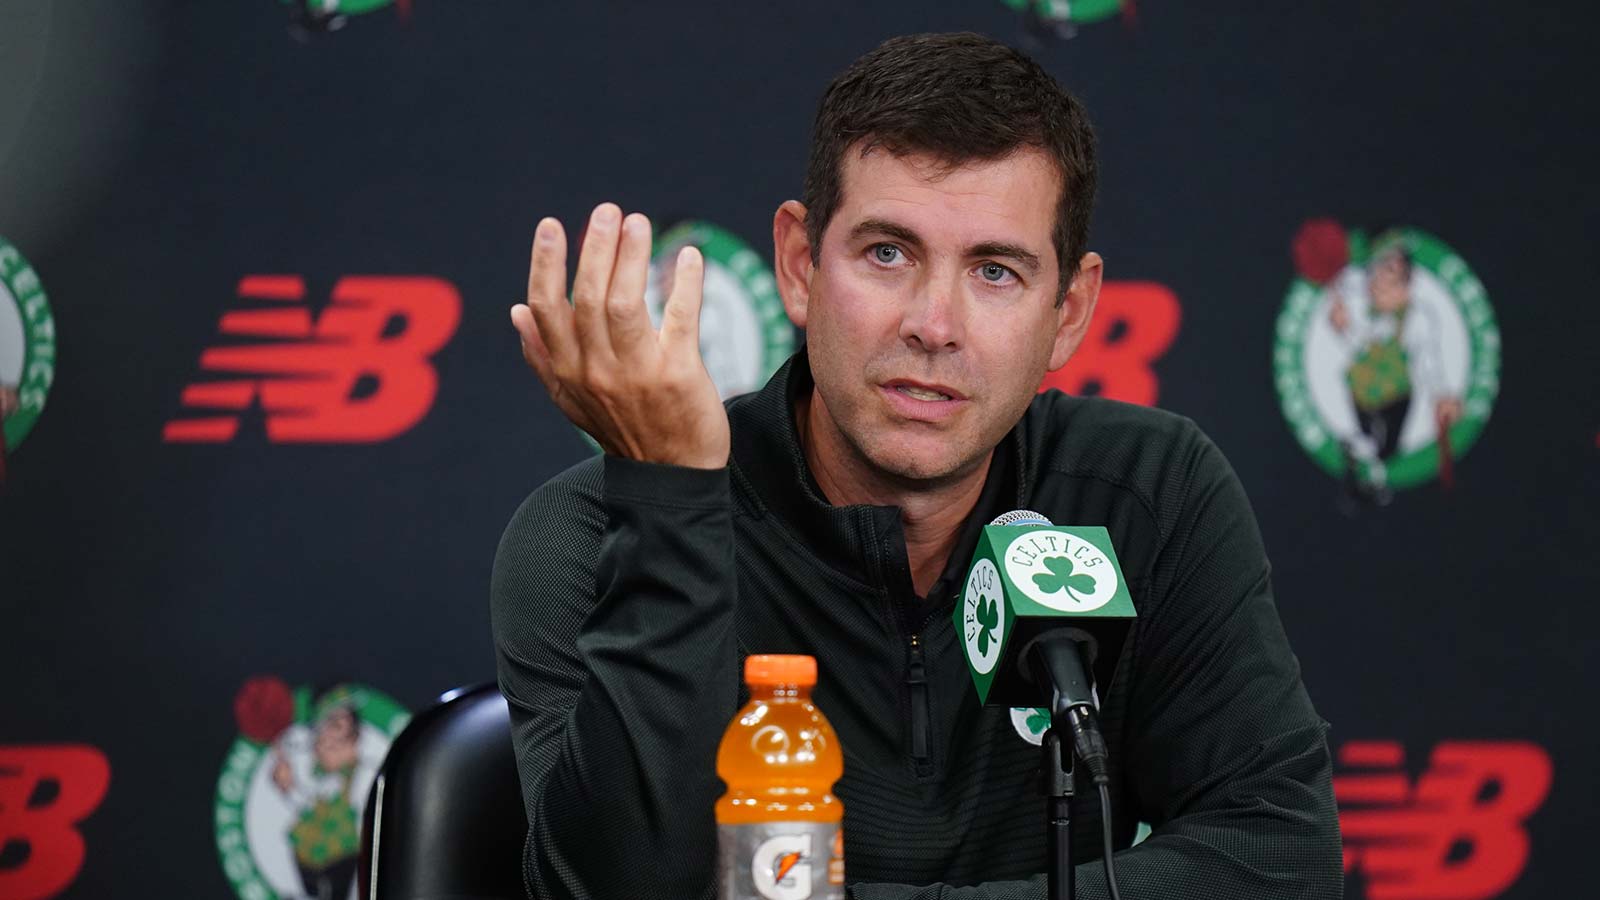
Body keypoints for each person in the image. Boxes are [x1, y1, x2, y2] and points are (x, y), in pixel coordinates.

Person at [492, 32, 1340, 900]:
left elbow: (1277, 854)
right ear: (798, 264)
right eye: (887, 253)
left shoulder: (1147, 494)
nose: (934, 324)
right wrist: (670, 497)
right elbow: (616, 892)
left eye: (996, 271)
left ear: (1070, 312)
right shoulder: (595, 530)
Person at [1325, 231, 1462, 504]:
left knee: (1388, 448)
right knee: (1366, 438)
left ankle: (1372, 477)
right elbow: (1360, 345)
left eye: (1390, 276)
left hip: (1397, 396)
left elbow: (1428, 359)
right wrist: (1343, 328)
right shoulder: (1359, 307)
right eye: (1376, 275)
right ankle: (1359, 467)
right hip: (1360, 392)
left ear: (1407, 285)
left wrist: (1442, 394)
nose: (1379, 283)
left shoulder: (1419, 318)